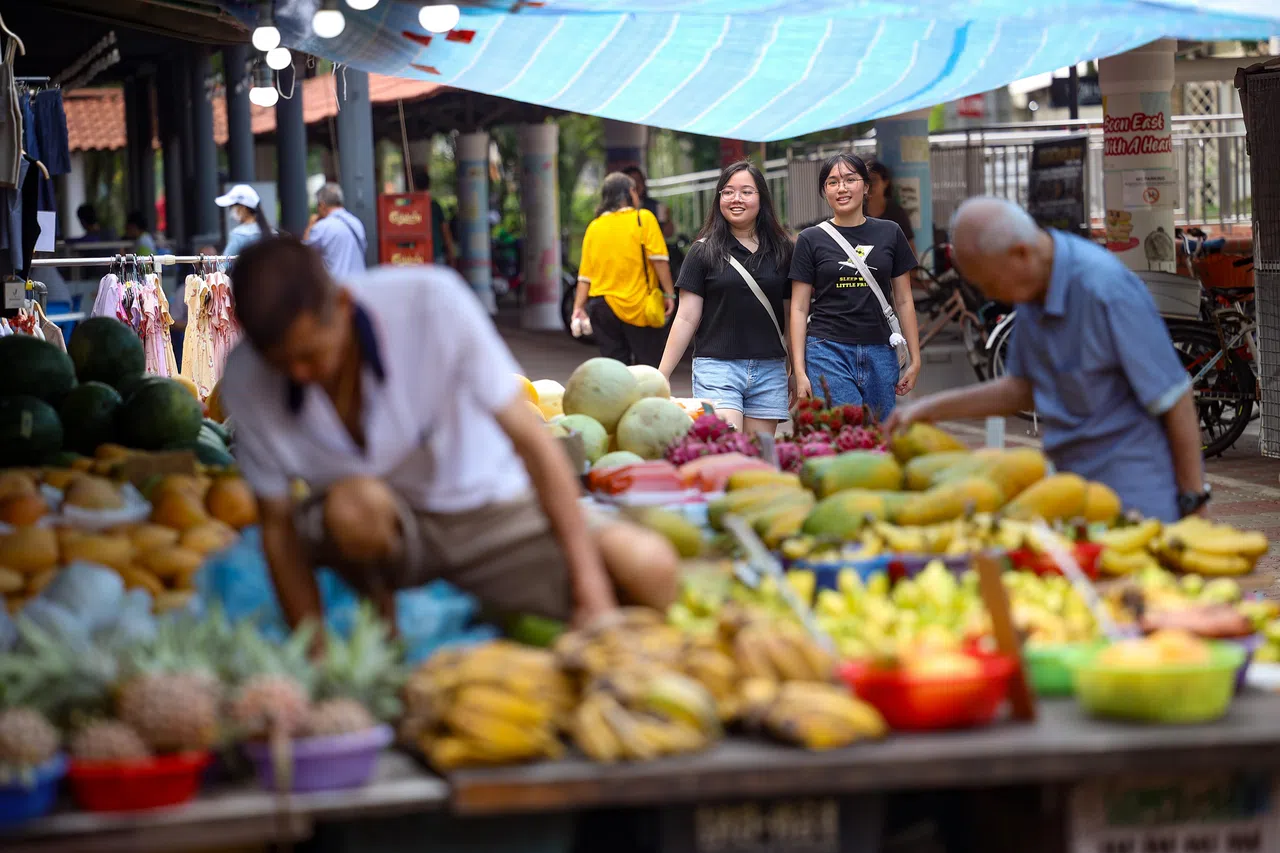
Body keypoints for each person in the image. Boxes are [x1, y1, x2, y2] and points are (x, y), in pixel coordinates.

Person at [219, 236, 679, 634]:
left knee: (648, 567)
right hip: (377, 540)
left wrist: (591, 592)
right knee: (353, 506)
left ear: (341, 304)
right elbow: (276, 527)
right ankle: (384, 625)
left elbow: (534, 445)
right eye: (282, 363)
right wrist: (314, 650)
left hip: (490, 517)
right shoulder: (247, 377)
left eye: (311, 355)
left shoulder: (430, 302)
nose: (299, 374)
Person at [885, 197, 1207, 522]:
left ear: (1021, 254)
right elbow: (1021, 388)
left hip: (1135, 497)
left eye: (991, 284)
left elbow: (1175, 397)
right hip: (1069, 489)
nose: (994, 296)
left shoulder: (1105, 289)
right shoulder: (1034, 287)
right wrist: (929, 408)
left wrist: (1194, 500)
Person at [658, 161, 792, 437]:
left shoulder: (784, 251)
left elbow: (792, 316)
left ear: (761, 198)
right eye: (728, 192)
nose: (736, 199)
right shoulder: (702, 252)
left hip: (769, 370)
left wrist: (796, 370)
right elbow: (686, 317)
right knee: (726, 449)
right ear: (719, 198)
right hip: (717, 369)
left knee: (758, 461)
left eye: (746, 192)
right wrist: (661, 375)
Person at [788, 153, 920, 420]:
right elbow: (799, 308)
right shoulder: (810, 239)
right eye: (833, 182)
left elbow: (904, 300)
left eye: (850, 179)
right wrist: (799, 371)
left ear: (866, 187)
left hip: (881, 350)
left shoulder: (890, 232)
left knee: (879, 436)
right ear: (824, 191)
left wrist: (915, 359)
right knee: (848, 432)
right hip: (827, 349)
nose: (842, 188)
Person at [571, 172, 675, 368]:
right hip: (639, 305)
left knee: (616, 371)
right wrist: (670, 294)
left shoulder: (595, 226)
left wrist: (578, 307)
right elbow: (659, 261)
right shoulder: (643, 218)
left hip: (602, 308)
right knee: (647, 370)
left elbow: (585, 276)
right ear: (629, 192)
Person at [304, 183, 367, 279]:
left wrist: (311, 224)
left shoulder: (322, 227)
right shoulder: (356, 222)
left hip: (338, 289)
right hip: (360, 286)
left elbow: (304, 252)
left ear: (322, 205)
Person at [866, 160, 917, 258]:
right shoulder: (858, 211)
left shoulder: (896, 212)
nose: (870, 185)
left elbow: (909, 246)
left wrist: (914, 271)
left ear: (886, 183)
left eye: (874, 180)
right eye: (867, 181)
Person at [412, 169, 458, 268]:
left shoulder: (410, 207)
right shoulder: (435, 206)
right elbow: (445, 232)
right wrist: (451, 254)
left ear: (414, 185)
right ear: (429, 185)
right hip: (435, 253)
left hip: (416, 255)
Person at [216, 184, 273, 258]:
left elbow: (225, 263)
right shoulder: (272, 233)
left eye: (232, 207)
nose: (231, 211)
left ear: (243, 208)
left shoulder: (239, 234)